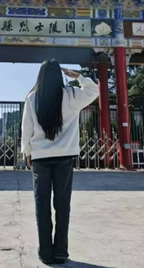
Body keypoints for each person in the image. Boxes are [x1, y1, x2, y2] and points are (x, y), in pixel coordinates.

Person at [21, 59, 99, 265]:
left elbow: (26, 129)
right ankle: (61, 252)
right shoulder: (71, 95)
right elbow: (94, 90)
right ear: (60, 75)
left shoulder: (32, 97)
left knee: (42, 205)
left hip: (40, 158)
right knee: (63, 205)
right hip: (65, 157)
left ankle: (46, 252)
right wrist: (78, 76)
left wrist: (27, 152)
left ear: (40, 76)